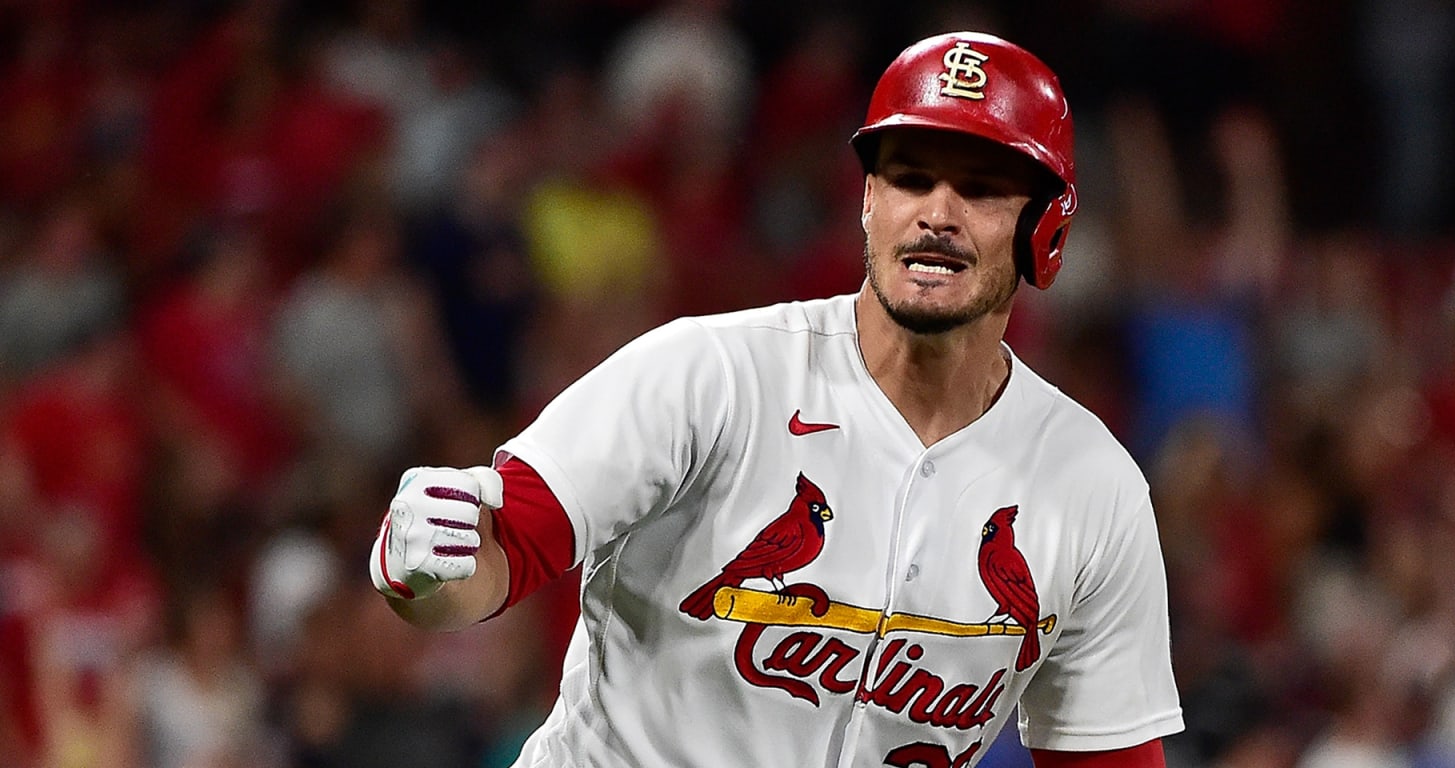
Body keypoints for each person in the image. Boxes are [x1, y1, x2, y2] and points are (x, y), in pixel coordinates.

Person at [368, 30, 1184, 766]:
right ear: (868, 202)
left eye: (980, 188)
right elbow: (503, 549)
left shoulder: (1092, 488)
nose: (936, 213)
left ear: (1046, 227)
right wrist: (424, 570)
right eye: (909, 176)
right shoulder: (711, 373)